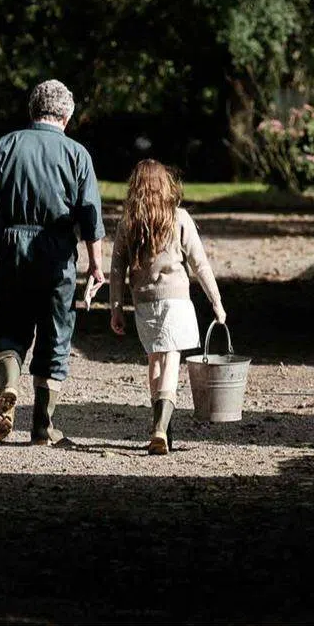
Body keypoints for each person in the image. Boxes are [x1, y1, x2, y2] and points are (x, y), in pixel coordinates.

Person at [0, 80, 105, 446]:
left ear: (32, 110)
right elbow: (90, 216)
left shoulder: (6, 145)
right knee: (56, 336)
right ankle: (42, 427)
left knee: (9, 326)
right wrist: (96, 265)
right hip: (56, 253)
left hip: (12, 248)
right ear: (66, 116)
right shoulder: (77, 154)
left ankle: (9, 384)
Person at [109, 160, 226, 455]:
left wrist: (115, 308)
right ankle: (161, 427)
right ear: (166, 186)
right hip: (176, 300)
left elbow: (116, 269)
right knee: (172, 360)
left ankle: (161, 427)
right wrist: (216, 301)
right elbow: (200, 264)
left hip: (144, 302)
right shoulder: (179, 217)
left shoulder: (128, 222)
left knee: (155, 362)